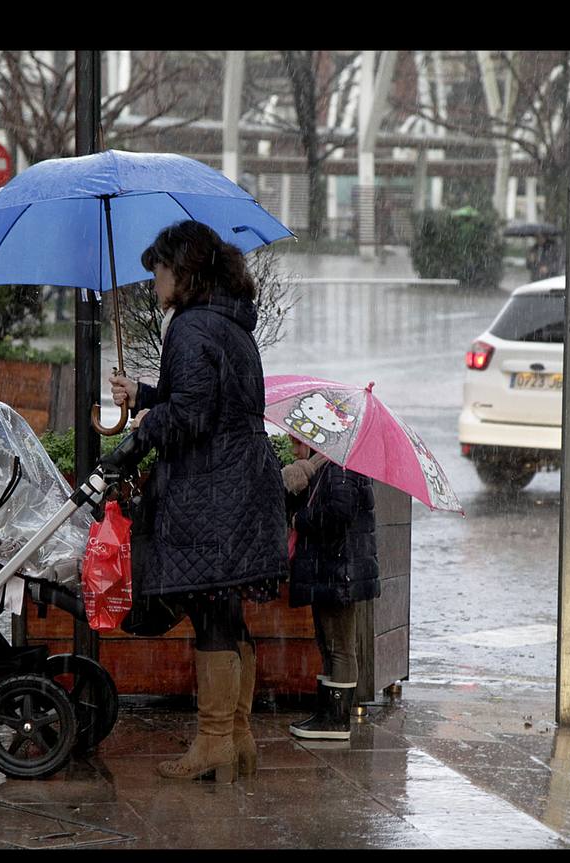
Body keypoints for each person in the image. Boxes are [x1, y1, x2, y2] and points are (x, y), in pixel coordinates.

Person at [109, 220, 288, 782]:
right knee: (227, 611)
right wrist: (146, 394)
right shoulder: (230, 324)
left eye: (159, 271)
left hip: (211, 490)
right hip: (243, 482)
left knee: (210, 609)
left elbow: (191, 416)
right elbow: (214, 401)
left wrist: (139, 434)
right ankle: (237, 738)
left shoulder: (188, 329)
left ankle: (214, 742)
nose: (153, 282)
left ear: (181, 271)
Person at [281, 436, 380, 740]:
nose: (294, 449)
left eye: (298, 443)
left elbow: (339, 513)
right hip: (331, 569)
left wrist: (301, 519)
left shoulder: (340, 467)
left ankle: (336, 721)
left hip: (338, 570)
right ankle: (327, 714)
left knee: (339, 647)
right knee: (328, 643)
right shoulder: (326, 466)